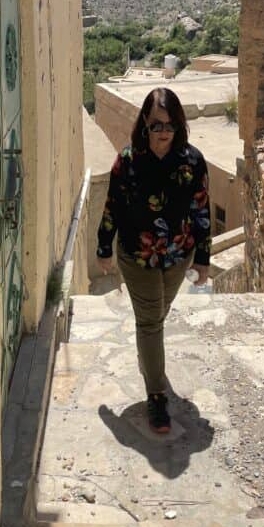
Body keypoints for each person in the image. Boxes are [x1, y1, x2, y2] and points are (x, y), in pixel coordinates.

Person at [96, 87, 211, 433]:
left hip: (178, 255)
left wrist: (202, 258)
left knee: (157, 316)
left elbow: (201, 209)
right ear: (145, 122)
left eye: (171, 125)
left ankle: (148, 358)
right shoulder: (129, 160)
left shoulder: (192, 161)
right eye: (158, 124)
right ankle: (157, 395)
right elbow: (112, 205)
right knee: (150, 322)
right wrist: (104, 248)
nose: (164, 132)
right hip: (137, 256)